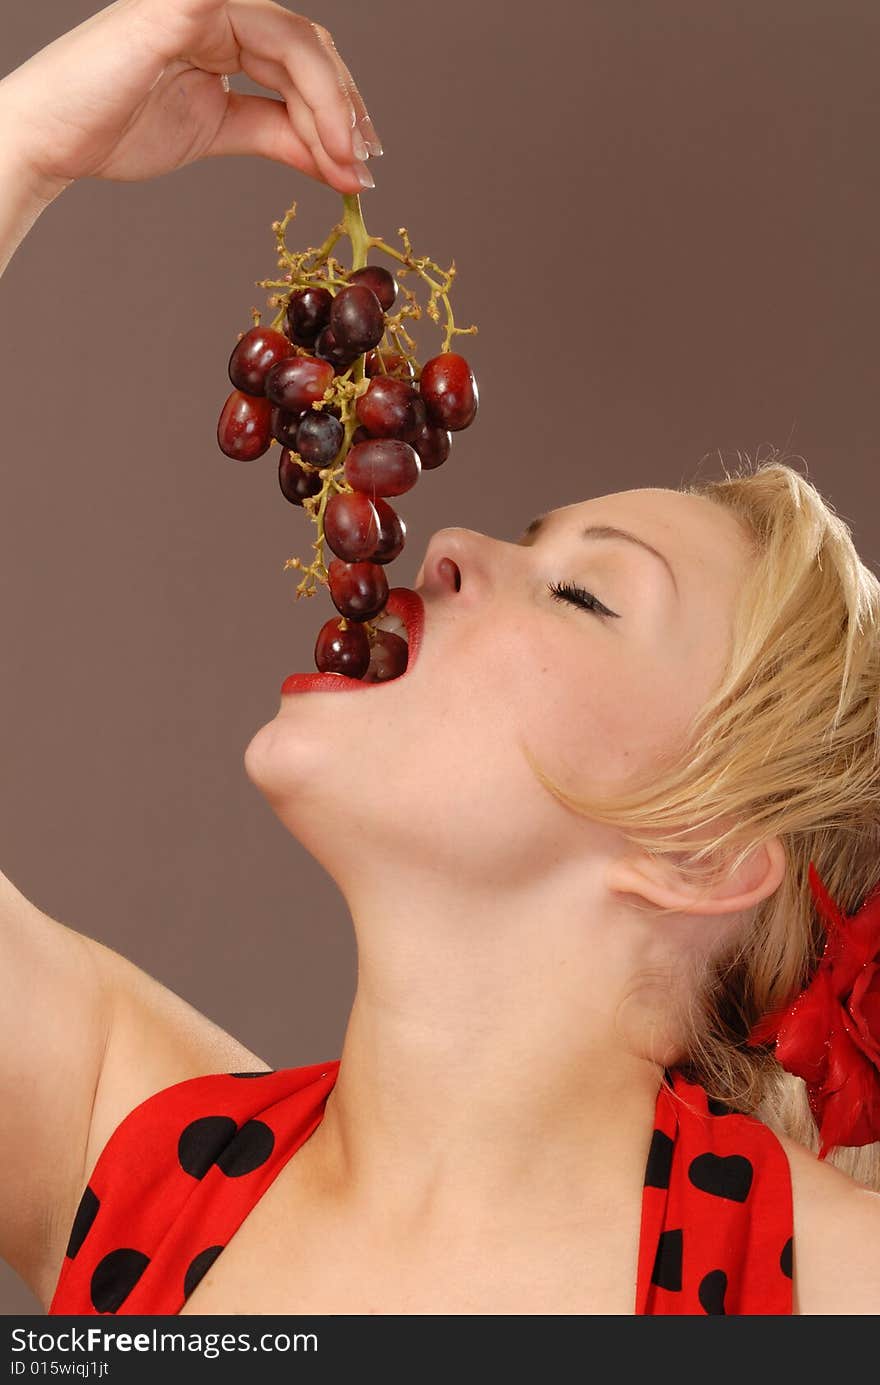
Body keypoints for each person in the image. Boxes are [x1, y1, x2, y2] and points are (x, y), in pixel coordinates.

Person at [1, 0, 879, 1319]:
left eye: (586, 593)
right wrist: (25, 146)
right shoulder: (144, 1168)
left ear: (699, 854)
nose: (452, 541)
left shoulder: (828, 1284)